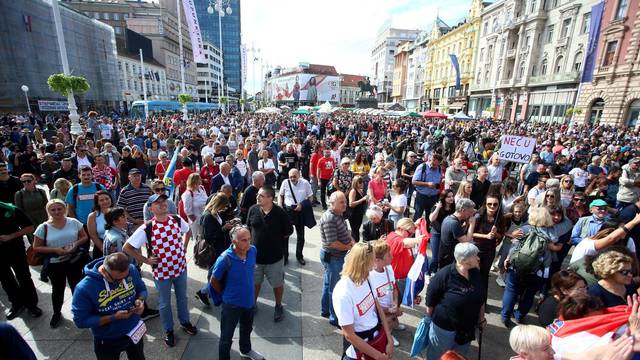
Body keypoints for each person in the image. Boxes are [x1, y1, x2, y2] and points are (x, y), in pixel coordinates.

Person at [123, 193, 197, 347]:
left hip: (180, 269)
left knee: (182, 298)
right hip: (162, 273)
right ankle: (168, 330)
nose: (163, 204)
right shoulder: (147, 228)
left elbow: (188, 230)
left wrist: (184, 246)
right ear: (151, 208)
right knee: (164, 303)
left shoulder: (176, 219)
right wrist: (145, 260)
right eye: (158, 203)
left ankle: (185, 322)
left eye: (164, 202)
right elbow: (128, 247)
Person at [71, 252, 148, 360]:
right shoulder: (84, 288)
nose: (122, 282)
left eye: (125, 277)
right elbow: (80, 321)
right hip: (107, 340)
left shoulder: (131, 269)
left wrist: (140, 300)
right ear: (104, 271)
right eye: (117, 280)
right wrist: (113, 317)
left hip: (134, 331)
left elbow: (142, 289)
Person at [211, 226, 266, 360]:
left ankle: (245, 350)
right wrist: (225, 294)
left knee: (247, 329)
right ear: (234, 242)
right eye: (244, 240)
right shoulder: (224, 259)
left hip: (249, 301)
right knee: (226, 337)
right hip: (231, 304)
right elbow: (214, 280)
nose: (248, 243)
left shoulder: (252, 251)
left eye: (249, 239)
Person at [33, 199, 89, 328]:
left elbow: (84, 237)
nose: (57, 212)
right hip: (55, 264)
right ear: (48, 211)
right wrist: (55, 250)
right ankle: (57, 313)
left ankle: (80, 310)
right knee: (58, 289)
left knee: (77, 286)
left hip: (73, 261)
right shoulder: (43, 227)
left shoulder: (73, 222)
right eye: (53, 209)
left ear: (65, 209)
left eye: (60, 208)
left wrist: (75, 244)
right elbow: (36, 247)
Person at [333, 241, 394, 360]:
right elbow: (349, 335)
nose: (375, 264)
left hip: (377, 339)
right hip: (357, 352)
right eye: (373, 260)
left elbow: (378, 308)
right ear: (363, 263)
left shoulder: (367, 277)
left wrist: (389, 339)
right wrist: (378, 356)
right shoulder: (343, 292)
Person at [501, 207, 559, 327]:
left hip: (516, 266)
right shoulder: (550, 234)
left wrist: (507, 259)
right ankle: (519, 316)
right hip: (537, 271)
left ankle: (505, 316)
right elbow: (552, 250)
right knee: (529, 294)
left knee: (511, 290)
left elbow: (515, 246)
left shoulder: (524, 229)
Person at [426, 242, 486, 359]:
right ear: (465, 260)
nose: (478, 258)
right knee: (440, 356)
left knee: (459, 357)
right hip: (445, 329)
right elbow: (430, 300)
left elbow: (481, 297)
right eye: (475, 255)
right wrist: (428, 319)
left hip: (467, 328)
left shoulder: (476, 273)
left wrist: (481, 319)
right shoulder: (444, 275)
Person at [246, 186, 293, 321]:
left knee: (277, 284)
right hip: (255, 258)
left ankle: (278, 305)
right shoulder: (253, 210)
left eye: (261, 195)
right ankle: (252, 304)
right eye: (258, 195)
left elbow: (288, 232)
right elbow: (248, 227)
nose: (257, 197)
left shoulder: (280, 213)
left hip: (275, 258)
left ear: (270, 198)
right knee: (255, 283)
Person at [0, 201, 42, 320]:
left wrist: (10, 236)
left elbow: (29, 227)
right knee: (5, 279)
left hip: (15, 250)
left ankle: (32, 305)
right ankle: (16, 304)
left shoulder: (10, 209)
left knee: (23, 276)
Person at [320, 191, 356, 326]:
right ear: (332, 203)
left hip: (337, 256)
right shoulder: (329, 218)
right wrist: (351, 247)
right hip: (333, 257)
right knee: (334, 289)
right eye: (342, 202)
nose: (345, 204)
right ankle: (334, 318)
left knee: (328, 284)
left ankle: (325, 310)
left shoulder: (338, 214)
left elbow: (345, 232)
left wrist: (352, 241)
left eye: (345, 201)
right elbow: (332, 243)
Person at [194, 193, 232, 307]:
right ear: (218, 204)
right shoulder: (208, 216)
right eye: (223, 206)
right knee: (216, 274)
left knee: (218, 273)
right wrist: (223, 229)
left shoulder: (214, 214)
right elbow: (210, 237)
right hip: (214, 251)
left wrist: (226, 224)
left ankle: (206, 292)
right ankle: (204, 292)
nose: (224, 209)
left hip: (220, 249)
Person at [279, 168, 313, 265]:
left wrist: (302, 205)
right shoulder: (285, 182)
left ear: (299, 175)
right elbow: (280, 195)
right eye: (290, 177)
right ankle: (285, 257)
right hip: (287, 211)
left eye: (294, 176)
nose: (292, 179)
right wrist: (281, 206)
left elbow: (311, 197)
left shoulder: (305, 183)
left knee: (301, 236)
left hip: (300, 211)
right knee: (285, 235)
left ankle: (299, 256)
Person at [385, 218, 422, 298]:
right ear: (401, 229)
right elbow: (404, 242)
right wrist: (418, 239)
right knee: (396, 301)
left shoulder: (400, 236)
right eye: (409, 233)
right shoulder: (393, 238)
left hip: (404, 277)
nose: (410, 235)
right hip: (397, 280)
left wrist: (416, 225)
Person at [438, 198, 476, 269]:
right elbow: (466, 242)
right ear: (463, 210)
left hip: (444, 254)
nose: (471, 215)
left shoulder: (448, 218)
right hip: (448, 258)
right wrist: (472, 225)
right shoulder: (454, 223)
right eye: (470, 212)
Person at [429, 189, 456, 273]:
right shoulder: (437, 206)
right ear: (444, 198)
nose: (451, 198)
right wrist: (437, 208)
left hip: (448, 235)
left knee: (445, 256)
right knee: (435, 257)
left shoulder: (453, 207)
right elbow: (431, 219)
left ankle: (441, 273)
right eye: (449, 197)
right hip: (437, 234)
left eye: (452, 196)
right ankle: (430, 273)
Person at [15, 173, 48, 241]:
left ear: (34, 181)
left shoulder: (41, 191)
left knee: (47, 237)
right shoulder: (19, 194)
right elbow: (19, 210)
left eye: (28, 181)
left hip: (43, 217)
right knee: (34, 240)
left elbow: (47, 205)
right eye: (24, 181)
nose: (26, 183)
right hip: (29, 220)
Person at [412, 153, 442, 221]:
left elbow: (439, 181)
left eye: (437, 165)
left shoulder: (439, 168)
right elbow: (414, 182)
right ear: (430, 159)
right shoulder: (422, 167)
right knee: (418, 216)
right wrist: (427, 184)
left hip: (433, 197)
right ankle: (414, 230)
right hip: (422, 196)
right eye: (434, 164)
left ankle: (427, 230)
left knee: (430, 217)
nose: (435, 166)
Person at [181, 173, 208, 241]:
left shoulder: (202, 188)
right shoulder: (188, 194)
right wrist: (195, 221)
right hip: (197, 222)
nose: (200, 181)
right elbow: (187, 211)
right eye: (198, 180)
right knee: (198, 240)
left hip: (205, 219)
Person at [86, 190, 113, 259]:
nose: (105, 201)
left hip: (119, 245)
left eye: (107, 199)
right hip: (101, 247)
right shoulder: (93, 216)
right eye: (101, 200)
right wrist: (104, 249)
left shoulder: (118, 211)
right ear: (97, 203)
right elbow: (93, 236)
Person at [347, 176, 369, 241]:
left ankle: (354, 246)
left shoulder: (360, 190)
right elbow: (351, 204)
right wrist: (362, 199)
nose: (362, 184)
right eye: (360, 182)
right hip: (354, 215)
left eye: (362, 182)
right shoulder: (353, 191)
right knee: (355, 232)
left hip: (359, 214)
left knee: (356, 231)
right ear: (355, 183)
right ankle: (354, 247)